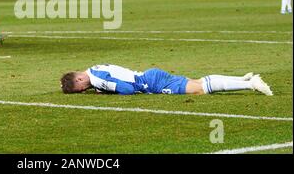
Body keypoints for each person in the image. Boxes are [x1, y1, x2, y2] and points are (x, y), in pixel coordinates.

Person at [60, 64, 273, 96]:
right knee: (199, 81)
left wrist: (105, 90)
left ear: (79, 79)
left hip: (151, 83)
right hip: (150, 74)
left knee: (199, 89)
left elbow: (126, 89)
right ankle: (242, 78)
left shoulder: (96, 79)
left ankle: (249, 84)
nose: (83, 90)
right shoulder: (94, 67)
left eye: (80, 88)